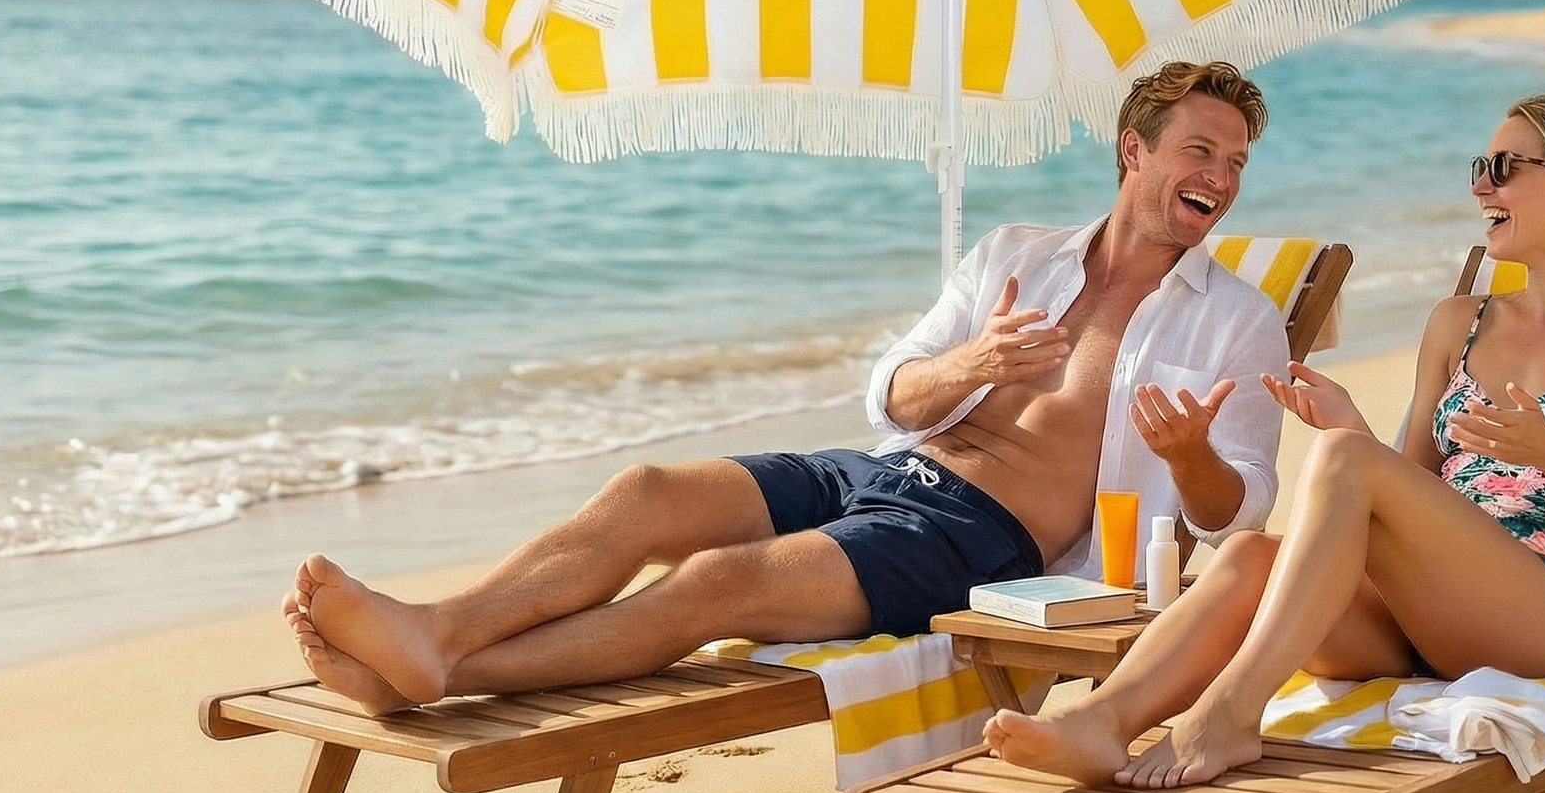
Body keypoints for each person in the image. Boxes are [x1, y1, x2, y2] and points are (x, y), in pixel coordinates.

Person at [285, 61, 1294, 716]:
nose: (1220, 176)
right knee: (645, 491)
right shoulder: (1014, 254)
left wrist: (1186, 458)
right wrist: (974, 365)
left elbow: (1239, 511)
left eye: (1235, 161)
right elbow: (889, 393)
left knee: (718, 581)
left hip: (977, 541)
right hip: (880, 470)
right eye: (1199, 150)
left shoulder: (1237, 320)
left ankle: (438, 662)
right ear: (1133, 150)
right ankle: (435, 633)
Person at [984, 92, 1545, 791]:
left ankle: (1231, 711)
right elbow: (1408, 487)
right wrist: (1351, 429)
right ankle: (1101, 720)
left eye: (1502, 168)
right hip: (1419, 614)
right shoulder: (1458, 322)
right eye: (1478, 168)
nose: (1480, 187)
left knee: (1342, 464)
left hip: (1540, 615)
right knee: (1246, 555)